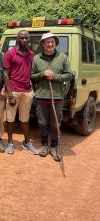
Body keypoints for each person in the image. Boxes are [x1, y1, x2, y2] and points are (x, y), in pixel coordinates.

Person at [31, 33, 73, 161]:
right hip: (42, 96)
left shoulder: (63, 58)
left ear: (55, 43)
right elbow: (32, 76)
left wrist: (54, 77)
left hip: (57, 97)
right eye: (47, 42)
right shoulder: (36, 58)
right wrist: (43, 74)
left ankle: (54, 146)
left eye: (52, 42)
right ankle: (45, 146)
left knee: (55, 123)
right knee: (43, 122)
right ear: (42, 44)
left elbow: (69, 75)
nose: (50, 44)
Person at [3, 30, 38, 155]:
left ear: (29, 39)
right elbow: (5, 75)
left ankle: (27, 142)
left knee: (25, 118)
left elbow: (32, 73)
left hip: (27, 91)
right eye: (22, 38)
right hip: (14, 90)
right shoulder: (10, 54)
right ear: (17, 39)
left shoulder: (31, 54)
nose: (24, 40)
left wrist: (32, 89)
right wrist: (10, 94)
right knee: (10, 118)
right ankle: (10, 143)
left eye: (26, 38)